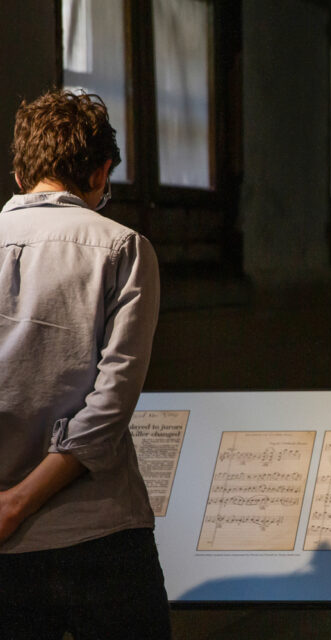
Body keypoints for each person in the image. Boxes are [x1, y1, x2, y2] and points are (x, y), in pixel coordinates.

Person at [0, 89, 170, 639]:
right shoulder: (124, 247)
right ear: (102, 172)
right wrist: (23, 501)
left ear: (20, 172)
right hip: (99, 531)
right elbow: (109, 405)